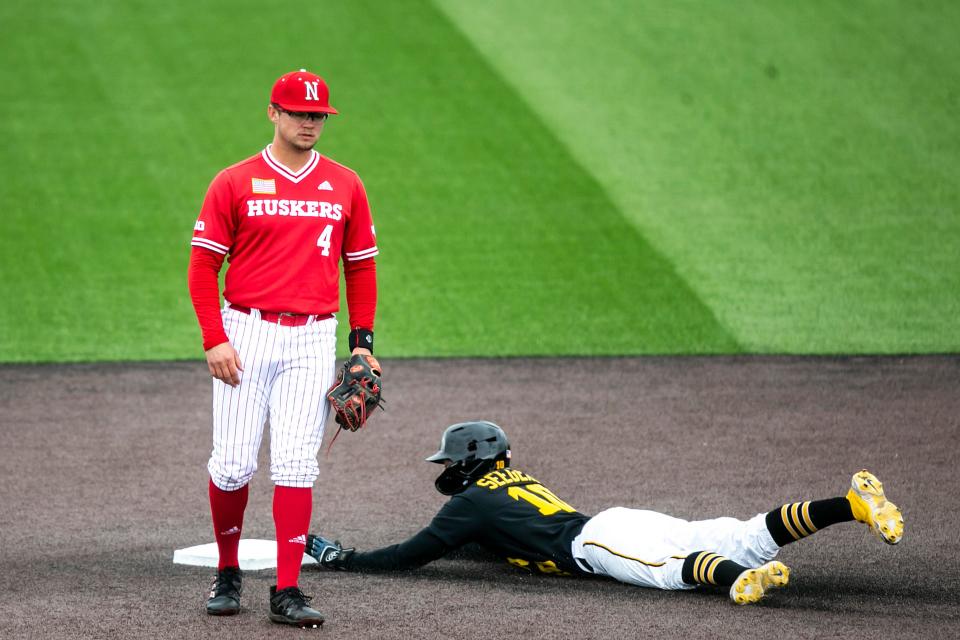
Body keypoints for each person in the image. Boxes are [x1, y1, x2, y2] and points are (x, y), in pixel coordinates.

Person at [306, 421, 904, 605]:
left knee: (668, 568)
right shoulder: (499, 490)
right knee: (740, 532)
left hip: (594, 544)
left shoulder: (468, 505)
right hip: (615, 519)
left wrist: (343, 558)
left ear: (469, 463)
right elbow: (484, 539)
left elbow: (410, 556)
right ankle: (848, 504)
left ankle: (736, 580)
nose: (445, 471)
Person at [187, 68, 379, 628]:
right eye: (299, 114)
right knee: (232, 465)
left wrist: (362, 344)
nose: (310, 124)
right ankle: (228, 571)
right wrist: (214, 339)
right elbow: (203, 266)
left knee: (297, 464)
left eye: (318, 116)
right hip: (244, 332)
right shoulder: (235, 181)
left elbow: (360, 267)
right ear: (273, 113)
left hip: (314, 336)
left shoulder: (345, 183)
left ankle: (288, 589)